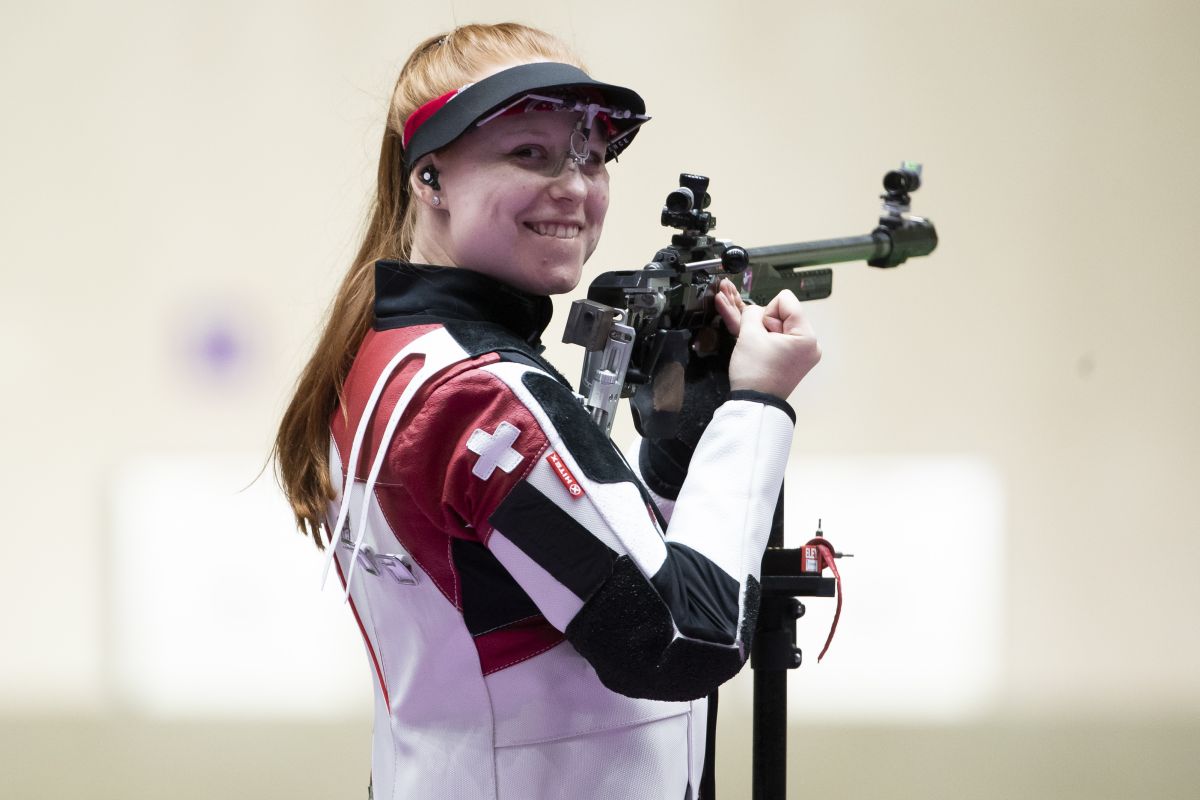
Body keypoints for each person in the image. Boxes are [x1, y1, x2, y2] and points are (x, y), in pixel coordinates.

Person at [274, 22, 820, 800]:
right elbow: (681, 638)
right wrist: (757, 407)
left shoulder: (389, 351)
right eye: (528, 153)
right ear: (429, 179)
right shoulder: (484, 393)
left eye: (592, 157)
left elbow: (591, 572)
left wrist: (682, 431)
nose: (575, 186)